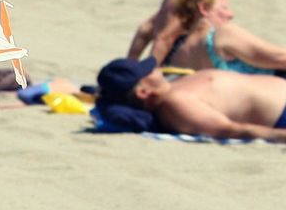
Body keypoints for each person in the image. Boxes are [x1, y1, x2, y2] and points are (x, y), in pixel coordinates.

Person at [95, 56, 286, 142]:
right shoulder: (176, 105)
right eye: (148, 71)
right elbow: (229, 130)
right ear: (143, 92)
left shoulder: (172, 86)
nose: (155, 68)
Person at [158, 0, 286, 75]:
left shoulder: (175, 53)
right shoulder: (223, 35)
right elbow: (279, 57)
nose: (231, 14)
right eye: (224, 8)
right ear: (203, 8)